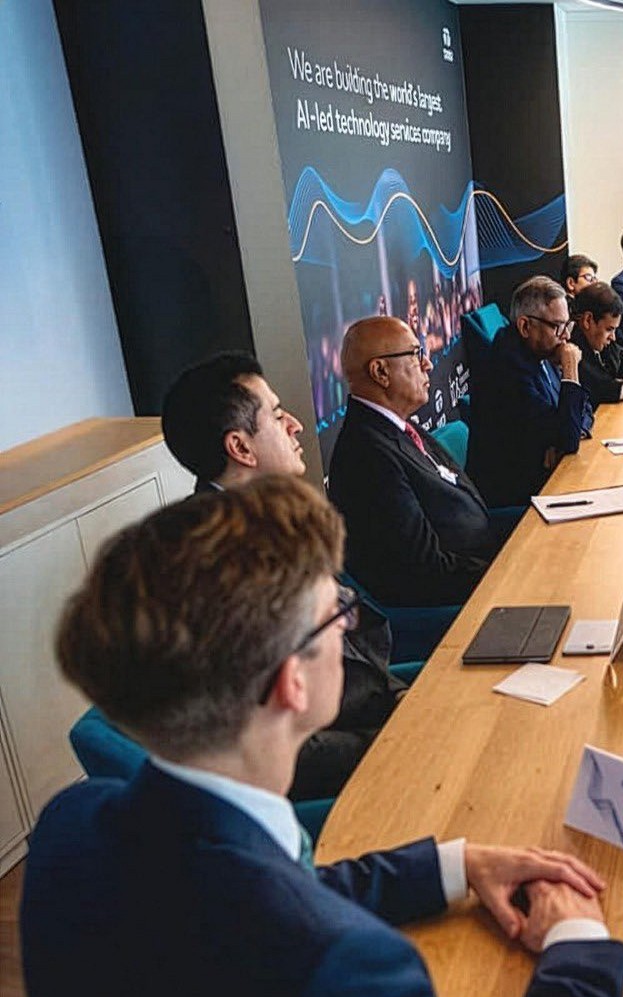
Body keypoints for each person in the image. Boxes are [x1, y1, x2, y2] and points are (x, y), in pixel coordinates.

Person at [22, 477, 623, 997]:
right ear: (292, 682)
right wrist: (576, 942)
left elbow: (259, 895)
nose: (348, 625)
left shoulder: (74, 826)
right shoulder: (340, 969)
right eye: (336, 612)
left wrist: (456, 865)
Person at [161, 352, 407, 800]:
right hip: (346, 778)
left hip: (376, 720)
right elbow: (275, 743)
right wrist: (393, 744)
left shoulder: (271, 520)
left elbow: (357, 647)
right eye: (276, 415)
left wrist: (402, 700)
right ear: (241, 448)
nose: (294, 425)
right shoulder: (210, 570)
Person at [326, 316, 501, 607]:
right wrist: (506, 572)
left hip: (484, 564)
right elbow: (427, 570)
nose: (428, 364)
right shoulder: (367, 454)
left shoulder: (398, 426)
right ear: (381, 371)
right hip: (462, 603)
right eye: (416, 354)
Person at [467, 275, 593, 506]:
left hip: (544, 477)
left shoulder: (541, 351)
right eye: (557, 326)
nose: (566, 336)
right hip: (516, 495)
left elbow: (585, 408)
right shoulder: (507, 369)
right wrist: (570, 369)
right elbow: (568, 438)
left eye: (567, 325)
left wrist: (573, 431)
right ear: (526, 326)